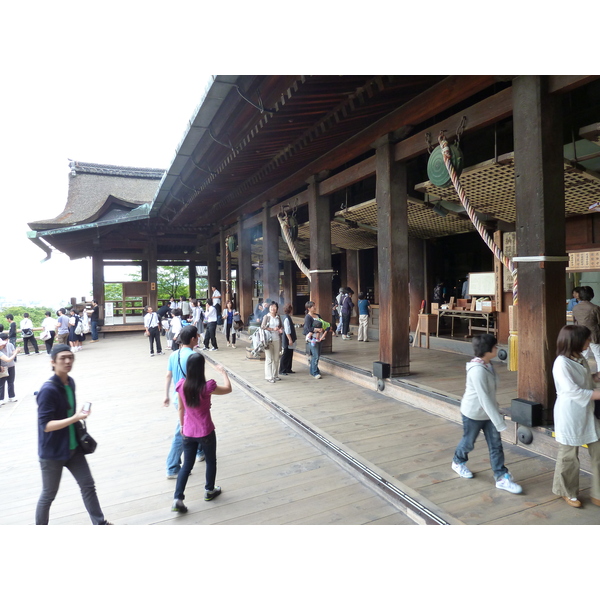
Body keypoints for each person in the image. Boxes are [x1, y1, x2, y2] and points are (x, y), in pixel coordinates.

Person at [35, 344, 112, 525]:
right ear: (53, 362)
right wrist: (75, 417)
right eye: (62, 358)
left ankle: (99, 523)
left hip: (73, 447)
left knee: (88, 486)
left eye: (70, 357)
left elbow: (67, 414)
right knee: (48, 495)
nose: (68, 361)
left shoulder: (70, 382)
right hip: (53, 452)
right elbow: (45, 425)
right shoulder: (47, 390)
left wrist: (77, 417)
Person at [451, 334, 523, 494]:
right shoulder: (477, 370)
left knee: (496, 445)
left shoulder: (487, 365)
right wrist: (499, 421)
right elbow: (484, 399)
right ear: (488, 350)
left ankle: (501, 477)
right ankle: (458, 461)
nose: (497, 349)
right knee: (469, 441)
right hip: (473, 413)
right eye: (495, 346)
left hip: (489, 412)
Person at [171, 352, 232, 512]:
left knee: (187, 465)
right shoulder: (207, 387)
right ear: (201, 368)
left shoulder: (182, 385)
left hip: (188, 431)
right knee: (211, 461)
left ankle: (178, 499)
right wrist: (224, 373)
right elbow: (228, 389)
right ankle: (209, 490)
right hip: (205, 431)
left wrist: (183, 426)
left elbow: (180, 408)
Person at [551, 324, 600, 508]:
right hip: (570, 413)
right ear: (576, 341)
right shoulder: (561, 363)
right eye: (587, 339)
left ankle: (598, 493)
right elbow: (574, 391)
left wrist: (595, 377)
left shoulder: (580, 357)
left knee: (598, 452)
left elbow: (584, 380)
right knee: (569, 455)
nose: (589, 342)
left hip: (588, 411)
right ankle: (567, 491)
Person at [164, 325, 204, 478]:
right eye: (197, 335)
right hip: (190, 399)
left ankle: (200, 452)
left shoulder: (174, 354)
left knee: (198, 423)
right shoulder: (194, 357)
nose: (198, 337)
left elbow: (168, 376)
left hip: (177, 397)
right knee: (181, 431)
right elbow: (199, 382)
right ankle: (172, 466)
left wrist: (166, 395)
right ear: (193, 338)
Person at [572, 286, 600, 369]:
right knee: (598, 355)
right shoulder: (595, 308)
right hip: (594, 335)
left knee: (583, 356)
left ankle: (583, 373)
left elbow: (575, 322)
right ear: (591, 295)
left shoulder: (575, 308)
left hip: (581, 335)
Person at [303, 301, 329, 380]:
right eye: (312, 306)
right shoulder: (308, 317)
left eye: (314, 306)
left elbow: (322, 323)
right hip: (312, 338)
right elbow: (308, 328)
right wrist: (317, 329)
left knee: (317, 355)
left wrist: (323, 329)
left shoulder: (318, 315)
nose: (314, 307)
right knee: (316, 355)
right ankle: (315, 372)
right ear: (308, 308)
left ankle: (313, 370)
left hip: (320, 337)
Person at [261, 301, 283, 383]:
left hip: (277, 339)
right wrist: (272, 329)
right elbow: (262, 327)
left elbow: (281, 326)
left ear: (277, 308)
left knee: (276, 358)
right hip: (268, 340)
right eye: (271, 307)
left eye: (274, 307)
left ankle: (275, 375)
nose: (273, 308)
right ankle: (268, 376)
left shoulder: (278, 317)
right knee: (269, 358)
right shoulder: (267, 317)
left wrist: (280, 329)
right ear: (269, 308)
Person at [0, 333, 20, 405]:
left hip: (11, 365)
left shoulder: (10, 345)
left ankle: (11, 396)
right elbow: (7, 359)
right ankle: (1, 398)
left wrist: (16, 352)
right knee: (2, 383)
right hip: (3, 366)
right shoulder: (0, 347)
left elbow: (13, 352)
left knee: (11, 381)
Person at [280, 303, 297, 375]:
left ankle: (288, 368)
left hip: (288, 338)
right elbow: (287, 330)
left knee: (290, 354)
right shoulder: (286, 318)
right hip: (287, 339)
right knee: (286, 354)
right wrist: (290, 339)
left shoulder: (287, 317)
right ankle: (282, 370)